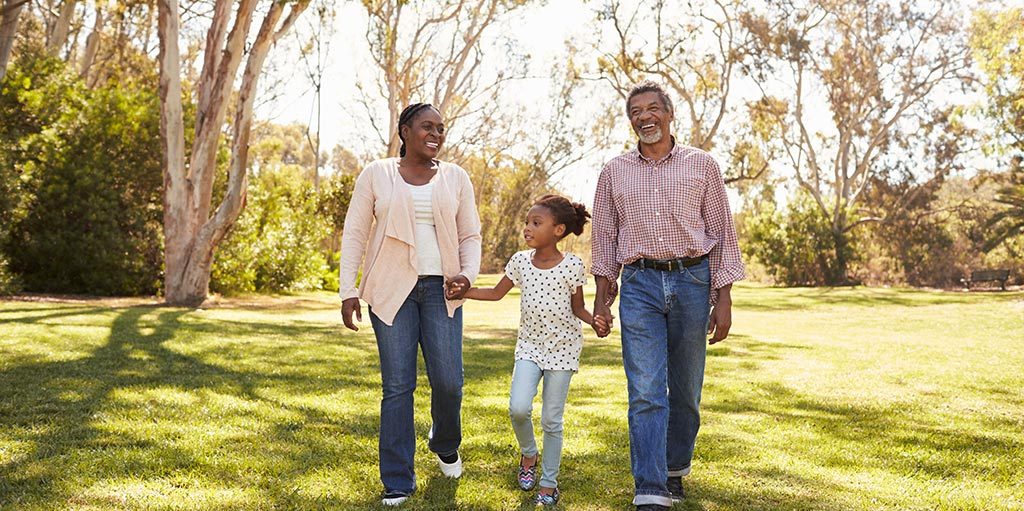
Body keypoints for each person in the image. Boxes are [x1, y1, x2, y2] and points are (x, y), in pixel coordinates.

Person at [590, 81, 745, 510]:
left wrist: (724, 297)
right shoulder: (613, 171)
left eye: (652, 108)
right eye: (636, 111)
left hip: (692, 282)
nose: (645, 117)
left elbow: (722, 234)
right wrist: (603, 299)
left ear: (669, 113)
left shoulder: (702, 165)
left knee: (686, 390)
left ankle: (675, 469)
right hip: (639, 285)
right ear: (630, 121)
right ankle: (651, 487)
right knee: (645, 390)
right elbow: (604, 238)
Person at [338, 103, 481, 507]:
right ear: (404, 131)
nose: (435, 133)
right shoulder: (377, 174)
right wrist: (348, 289)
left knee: (449, 382)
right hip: (391, 289)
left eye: (441, 127)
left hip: (443, 290)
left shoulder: (456, 177)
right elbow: (355, 233)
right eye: (426, 126)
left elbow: (470, 235)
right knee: (398, 386)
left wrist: (467, 276)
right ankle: (398, 480)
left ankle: (444, 442)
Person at [446, 194, 609, 506]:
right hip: (529, 347)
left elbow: (579, 308)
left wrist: (595, 322)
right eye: (527, 222)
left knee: (552, 419)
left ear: (558, 230)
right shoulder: (520, 261)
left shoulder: (573, 266)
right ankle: (529, 454)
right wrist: (466, 292)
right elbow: (496, 293)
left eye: (536, 223)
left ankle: (548, 483)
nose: (527, 228)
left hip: (563, 349)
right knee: (518, 408)